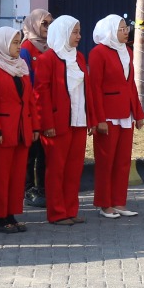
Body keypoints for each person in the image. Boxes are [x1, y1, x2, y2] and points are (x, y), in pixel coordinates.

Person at [86, 14, 144, 219]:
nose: (126, 31)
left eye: (125, 27)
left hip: (125, 113)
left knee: (123, 161)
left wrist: (138, 114)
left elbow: (130, 85)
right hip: (108, 116)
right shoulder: (98, 53)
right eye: (121, 28)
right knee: (106, 161)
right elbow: (94, 88)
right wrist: (98, 119)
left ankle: (119, 201)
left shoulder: (127, 51)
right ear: (110, 31)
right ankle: (105, 204)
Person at [0, 27, 37, 234]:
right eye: (14, 42)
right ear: (1, 43)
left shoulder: (20, 66)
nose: (18, 46)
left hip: (21, 129)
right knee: (1, 177)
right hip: (1, 131)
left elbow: (29, 99)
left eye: (19, 41)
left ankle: (11, 214)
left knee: (17, 176)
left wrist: (35, 125)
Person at [34, 15, 90, 225]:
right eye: (74, 32)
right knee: (56, 168)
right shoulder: (47, 59)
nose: (78, 36)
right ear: (63, 33)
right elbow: (40, 94)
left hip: (79, 120)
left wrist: (90, 119)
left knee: (74, 168)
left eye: (79, 32)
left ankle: (70, 210)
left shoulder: (79, 57)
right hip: (57, 123)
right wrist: (46, 123)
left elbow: (87, 90)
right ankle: (57, 212)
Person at [18, 9, 53, 211]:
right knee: (31, 151)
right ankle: (28, 189)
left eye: (50, 23)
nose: (48, 28)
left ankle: (42, 188)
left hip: (46, 108)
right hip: (31, 109)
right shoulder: (26, 48)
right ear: (33, 25)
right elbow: (27, 83)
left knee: (43, 152)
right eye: (44, 24)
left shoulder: (50, 47)